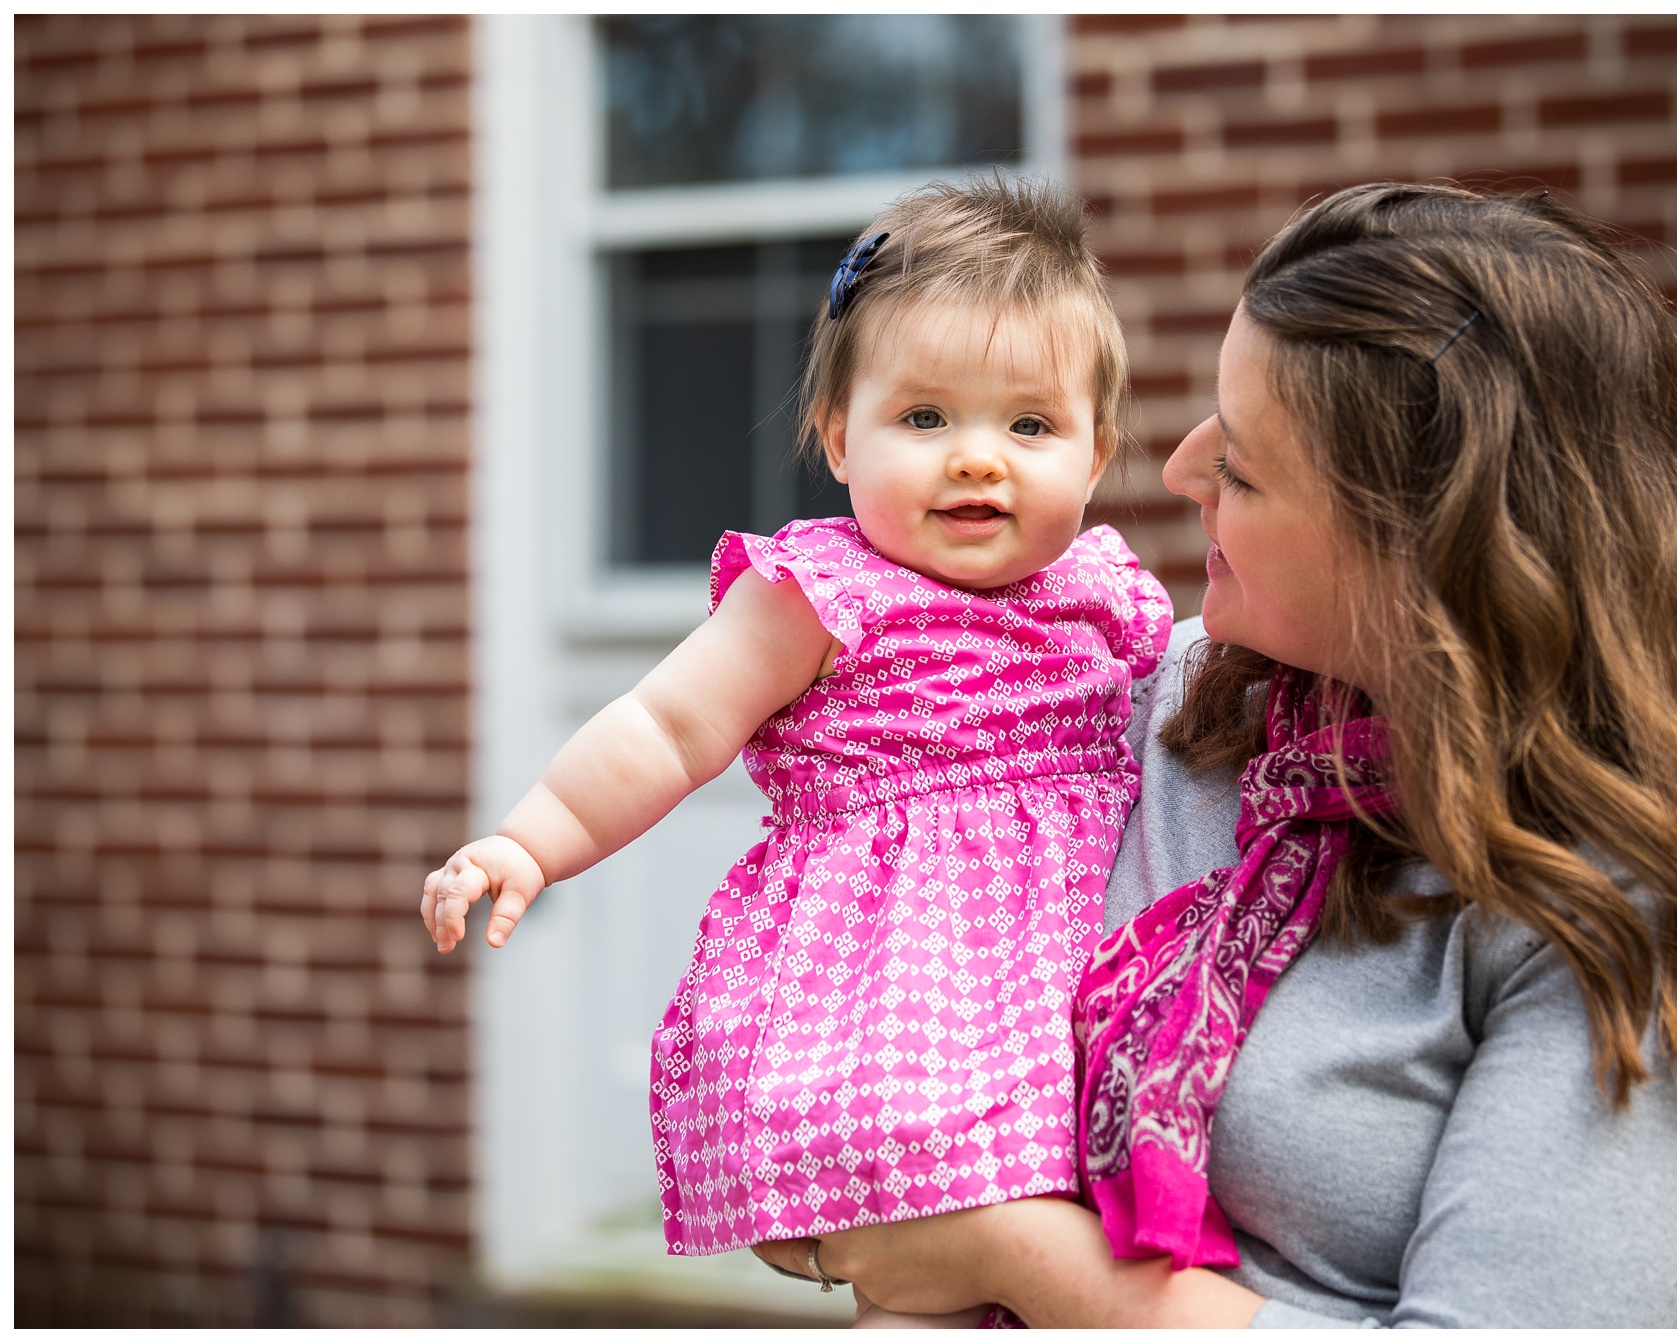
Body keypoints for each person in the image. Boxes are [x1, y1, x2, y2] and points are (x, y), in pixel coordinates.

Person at [754, 183, 1677, 1327]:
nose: (1179, 470)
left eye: (1243, 469)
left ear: (1423, 552)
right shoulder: (1136, 696)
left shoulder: (1639, 903)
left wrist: (1013, 1255)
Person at [419, 176, 1172, 1327]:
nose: (978, 458)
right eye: (924, 418)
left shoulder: (1108, 597)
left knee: (1074, 1260)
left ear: (1096, 448)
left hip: (1077, 986)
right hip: (900, 1005)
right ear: (836, 437)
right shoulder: (821, 593)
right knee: (926, 1281)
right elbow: (668, 726)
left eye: (1028, 423)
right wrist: (534, 838)